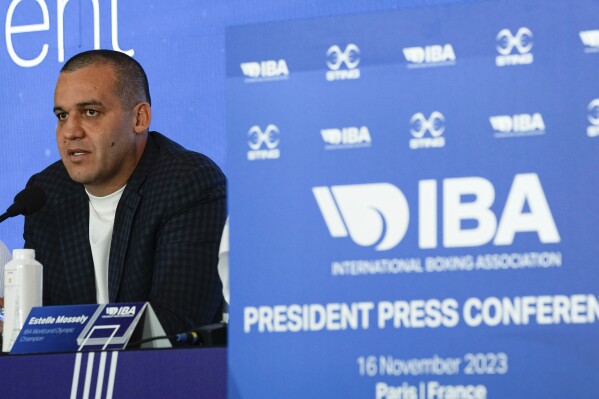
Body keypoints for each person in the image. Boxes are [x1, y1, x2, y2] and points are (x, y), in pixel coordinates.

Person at [23, 50, 227, 336]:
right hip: (69, 376)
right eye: (62, 115)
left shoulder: (186, 182)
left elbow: (178, 322)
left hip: (162, 375)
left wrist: (65, 331)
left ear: (140, 118)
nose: (70, 131)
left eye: (90, 112)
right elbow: (37, 324)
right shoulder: (46, 194)